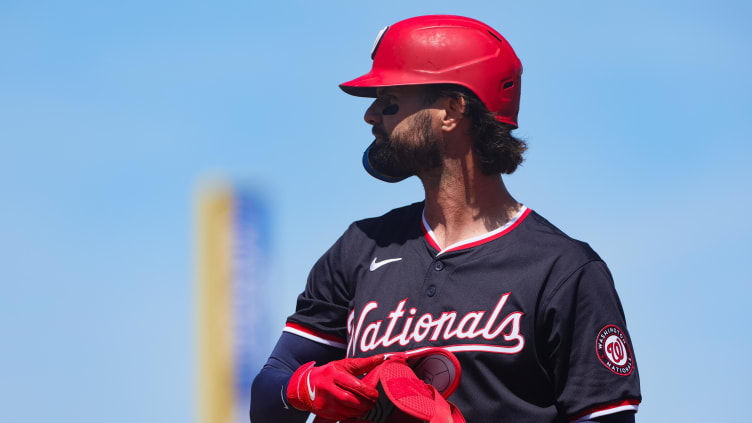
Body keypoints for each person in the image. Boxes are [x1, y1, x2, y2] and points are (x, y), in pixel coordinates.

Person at [250, 15, 641, 423]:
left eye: (389, 101)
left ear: (452, 110)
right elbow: (265, 399)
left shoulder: (564, 269)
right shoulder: (360, 247)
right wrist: (302, 389)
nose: (371, 116)